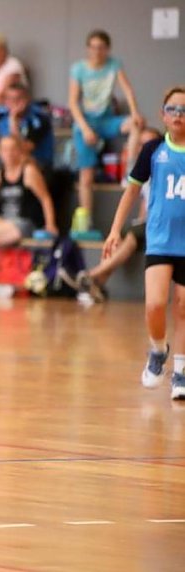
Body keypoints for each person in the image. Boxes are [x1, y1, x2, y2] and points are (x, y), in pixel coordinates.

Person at [104, 87, 185, 400]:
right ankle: (158, 349)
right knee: (155, 304)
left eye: (184, 110)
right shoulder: (153, 149)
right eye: (173, 109)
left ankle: (180, 372)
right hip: (161, 240)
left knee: (182, 307)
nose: (178, 115)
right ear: (163, 114)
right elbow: (132, 191)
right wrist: (115, 230)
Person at [69, 30, 144, 235]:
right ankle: (86, 220)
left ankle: (130, 171)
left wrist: (135, 112)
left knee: (135, 125)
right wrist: (85, 129)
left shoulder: (114, 64)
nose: (97, 52)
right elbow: (73, 103)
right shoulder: (78, 69)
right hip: (86, 123)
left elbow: (127, 90)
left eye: (101, 48)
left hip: (106, 120)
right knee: (87, 175)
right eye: (93, 47)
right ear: (88, 49)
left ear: (107, 49)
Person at [78, 127, 163, 302]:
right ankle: (97, 284)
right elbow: (132, 159)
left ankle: (91, 275)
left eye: (149, 144)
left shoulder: (167, 167)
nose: (144, 147)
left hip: (159, 224)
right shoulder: (141, 170)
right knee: (118, 240)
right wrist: (135, 129)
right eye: (141, 144)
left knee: (131, 237)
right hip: (141, 224)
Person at [0, 135, 58, 263]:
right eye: (4, 149)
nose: (8, 153)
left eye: (12, 149)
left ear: (19, 151)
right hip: (5, 219)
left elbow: (45, 198)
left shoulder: (28, 172)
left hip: (25, 222)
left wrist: (50, 225)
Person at [0, 83, 55, 169]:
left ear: (27, 99)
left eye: (18, 98)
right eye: (10, 99)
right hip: (9, 166)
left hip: (38, 165)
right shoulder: (0, 115)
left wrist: (13, 119)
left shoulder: (39, 118)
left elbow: (21, 150)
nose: (14, 102)